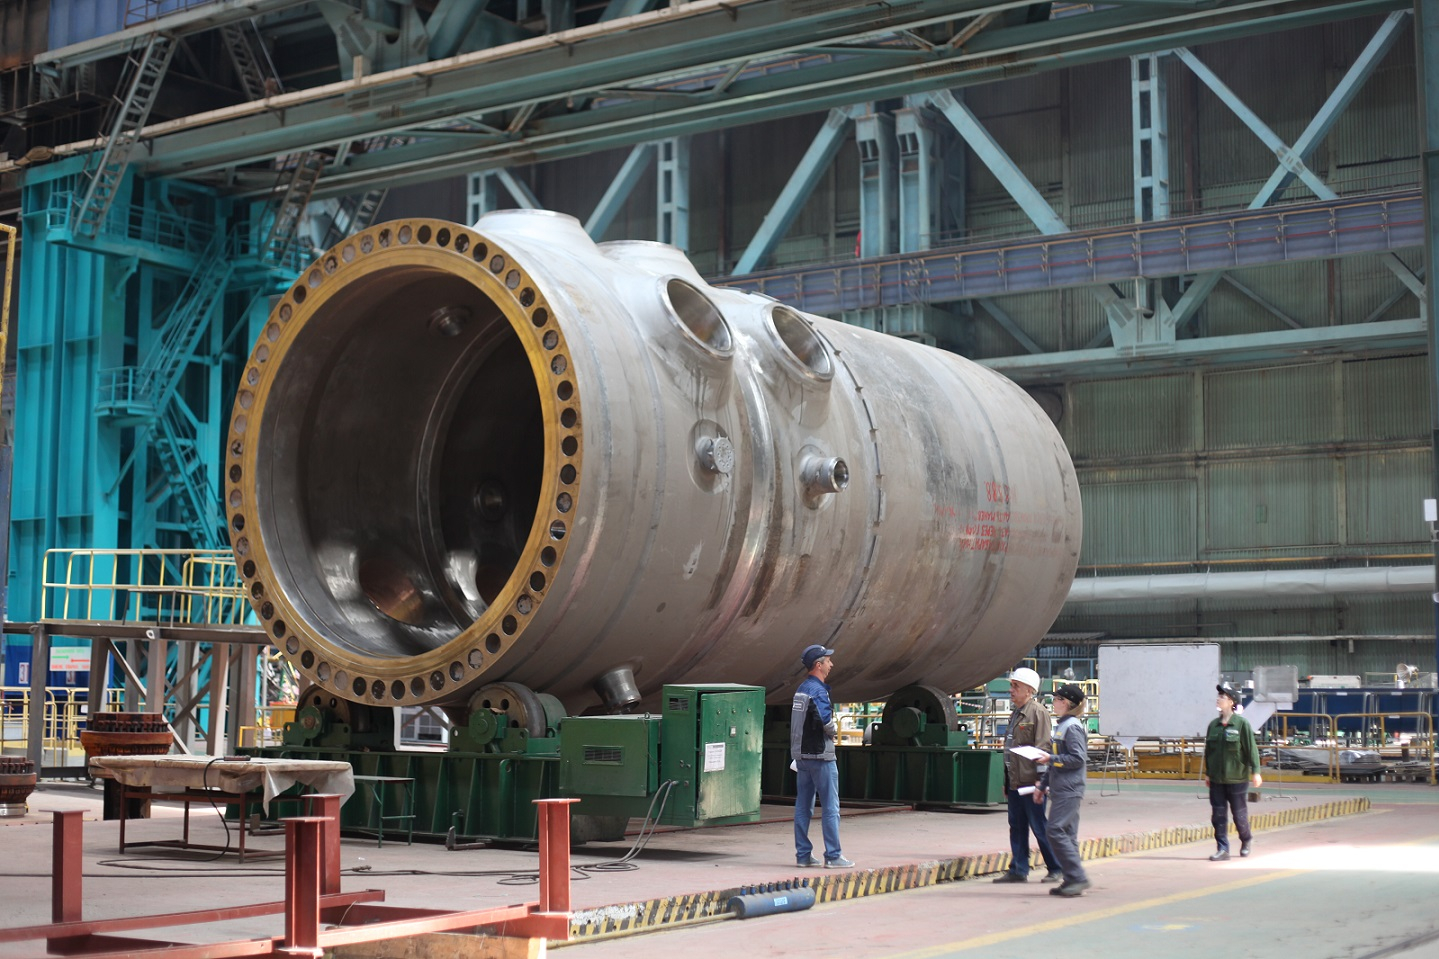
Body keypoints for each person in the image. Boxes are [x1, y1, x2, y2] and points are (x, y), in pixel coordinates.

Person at [992, 667, 1062, 885]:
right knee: (1017, 826)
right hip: (1015, 782)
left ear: (1029, 690)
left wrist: (1041, 782)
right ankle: (1018, 869)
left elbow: (1043, 748)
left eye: (1016, 686)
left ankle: (1056, 868)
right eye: (1011, 686)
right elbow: (1009, 751)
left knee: (1039, 826)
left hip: (1032, 783)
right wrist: (1006, 781)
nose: (1011, 690)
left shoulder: (1038, 713)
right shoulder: (1016, 714)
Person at [791, 644, 854, 868]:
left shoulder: (801, 689)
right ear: (818, 665)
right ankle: (834, 855)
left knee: (803, 806)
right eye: (828, 660)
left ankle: (803, 855)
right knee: (830, 806)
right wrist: (832, 732)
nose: (831, 664)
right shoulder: (818, 690)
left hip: (802, 757)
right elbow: (826, 721)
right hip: (821, 756)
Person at [1034, 683, 1091, 897]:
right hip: (1062, 788)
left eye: (1056, 699)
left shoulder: (1072, 727)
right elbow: (1055, 760)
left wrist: (1052, 758)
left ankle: (1078, 877)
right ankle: (1071, 880)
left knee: (1054, 830)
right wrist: (1043, 784)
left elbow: (1078, 758)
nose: (1053, 703)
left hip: (1070, 788)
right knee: (1067, 834)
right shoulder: (1062, 726)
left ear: (1065, 703)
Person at [1203, 683, 1262, 861]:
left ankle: (1246, 840)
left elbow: (1251, 749)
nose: (1218, 699)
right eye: (1219, 696)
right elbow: (1209, 752)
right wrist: (1208, 773)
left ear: (1231, 702)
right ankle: (1223, 849)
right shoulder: (1213, 725)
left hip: (1237, 778)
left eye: (1222, 696)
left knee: (1239, 814)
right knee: (1218, 815)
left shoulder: (1241, 724)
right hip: (1217, 780)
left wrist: (1256, 771)